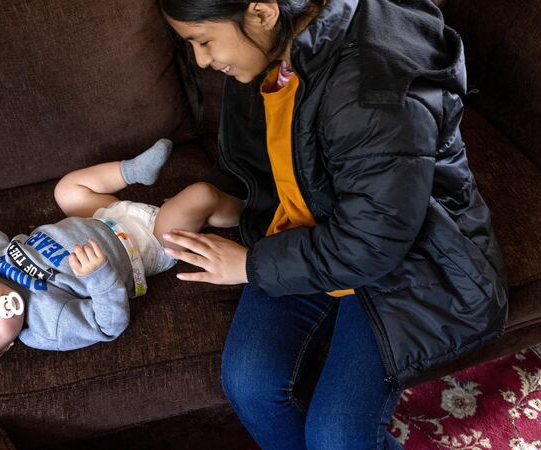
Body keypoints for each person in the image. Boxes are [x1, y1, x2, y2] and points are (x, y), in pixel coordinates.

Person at [157, 0, 508, 448]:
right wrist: (208, 196)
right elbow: (264, 166)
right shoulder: (268, 51)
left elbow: (373, 240)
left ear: (261, 12)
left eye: (203, 42)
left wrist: (249, 266)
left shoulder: (369, 86)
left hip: (410, 262)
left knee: (336, 435)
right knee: (250, 381)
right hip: (315, 236)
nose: (201, 61)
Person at [0, 138, 243, 378]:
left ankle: (134, 171)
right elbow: (108, 325)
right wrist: (99, 276)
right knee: (202, 195)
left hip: (101, 217)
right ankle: (244, 212)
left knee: (67, 190)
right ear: (0, 352)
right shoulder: (49, 326)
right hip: (146, 247)